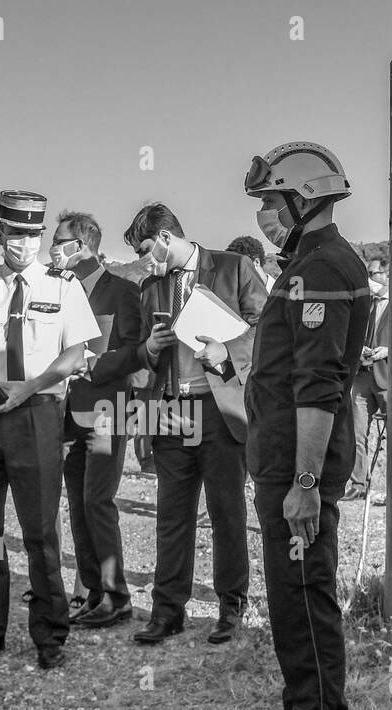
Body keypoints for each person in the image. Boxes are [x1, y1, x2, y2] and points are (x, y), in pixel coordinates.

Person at [232, 141, 368, 710]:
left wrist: (306, 482)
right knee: (291, 614)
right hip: (282, 466)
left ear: (303, 197)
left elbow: (318, 388)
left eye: (269, 201)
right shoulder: (304, 265)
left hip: (298, 474)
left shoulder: (324, 268)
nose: (263, 214)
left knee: (307, 616)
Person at [0, 190, 100, 671]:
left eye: (33, 233)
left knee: (39, 531)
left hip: (37, 413)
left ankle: (50, 633)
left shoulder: (64, 286)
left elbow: (75, 354)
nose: (25, 242)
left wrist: (29, 387)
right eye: (15, 233)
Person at [120, 204, 264, 646]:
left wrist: (228, 349)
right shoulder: (151, 289)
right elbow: (143, 358)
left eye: (146, 249)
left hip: (219, 412)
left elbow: (269, 328)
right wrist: (148, 348)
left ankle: (230, 607)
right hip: (170, 413)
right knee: (172, 517)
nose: (145, 260)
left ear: (165, 238)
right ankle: (167, 611)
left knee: (226, 513)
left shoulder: (235, 267)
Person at [51, 210, 141, 629]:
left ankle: (116, 595)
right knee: (76, 503)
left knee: (97, 500)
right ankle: (91, 591)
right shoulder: (55, 291)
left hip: (106, 412)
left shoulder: (122, 291)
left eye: (59, 240)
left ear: (83, 247)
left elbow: (138, 352)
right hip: (65, 415)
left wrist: (93, 364)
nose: (53, 248)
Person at [342, 258, 389, 502]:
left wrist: (388, 350)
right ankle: (359, 485)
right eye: (367, 274)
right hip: (362, 376)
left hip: (388, 378)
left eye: (373, 273)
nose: (369, 279)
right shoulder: (365, 303)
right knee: (356, 433)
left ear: (386, 273)